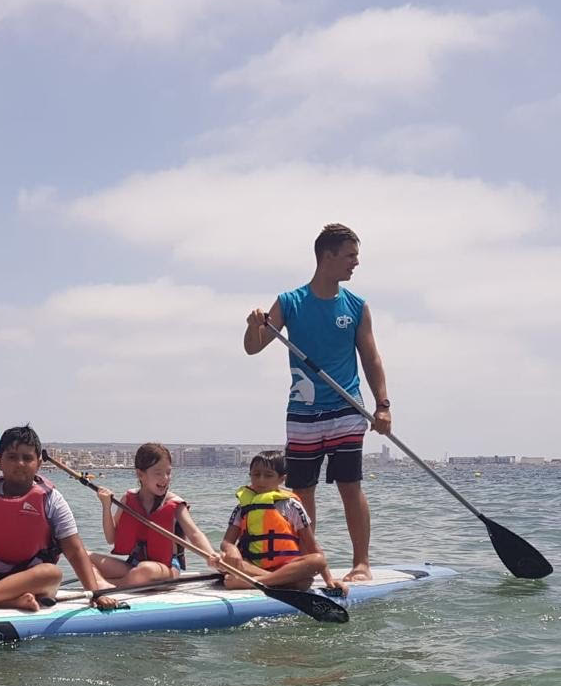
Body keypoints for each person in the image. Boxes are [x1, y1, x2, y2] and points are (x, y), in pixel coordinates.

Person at [244, 222, 392, 581]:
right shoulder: (291, 302)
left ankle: (361, 563)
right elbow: (253, 346)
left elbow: (371, 358)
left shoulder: (356, 306)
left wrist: (383, 405)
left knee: (349, 486)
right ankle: (305, 564)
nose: (355, 263)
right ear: (327, 256)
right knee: (301, 492)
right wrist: (253, 324)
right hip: (303, 412)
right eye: (350, 256)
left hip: (346, 408)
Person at [0, 424, 119, 613]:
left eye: (27, 458)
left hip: (32, 581)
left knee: (51, 573)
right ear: (0, 461)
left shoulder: (52, 500)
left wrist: (96, 593)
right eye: (12, 457)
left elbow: (75, 551)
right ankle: (10, 602)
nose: (20, 464)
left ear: (38, 463)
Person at [88, 442, 216, 587]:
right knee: (84, 556)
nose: (165, 478)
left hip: (166, 568)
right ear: (140, 474)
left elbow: (194, 534)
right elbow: (111, 538)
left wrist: (210, 554)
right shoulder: (128, 499)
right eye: (158, 473)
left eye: (168, 472)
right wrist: (106, 507)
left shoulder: (175, 504)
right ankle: (108, 583)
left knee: (145, 570)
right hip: (134, 565)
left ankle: (105, 585)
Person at [211, 451, 342, 593]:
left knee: (318, 560)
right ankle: (282, 582)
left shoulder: (292, 506)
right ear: (250, 476)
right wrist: (232, 550)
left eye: (268, 475)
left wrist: (329, 580)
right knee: (223, 559)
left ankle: (254, 582)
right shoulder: (242, 507)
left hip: (286, 567)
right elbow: (226, 542)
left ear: (282, 479)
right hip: (251, 565)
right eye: (256, 475)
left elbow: (312, 545)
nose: (261, 480)